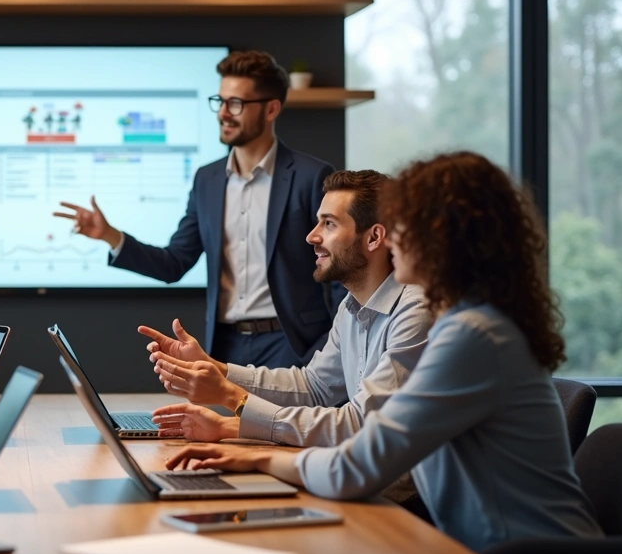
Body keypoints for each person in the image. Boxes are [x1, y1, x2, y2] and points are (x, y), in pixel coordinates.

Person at [164, 152, 603, 552]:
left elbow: (356, 463)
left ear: (443, 237)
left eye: (404, 222)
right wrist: (222, 381)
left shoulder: (469, 335)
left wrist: (248, 447)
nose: (392, 238)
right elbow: (320, 391)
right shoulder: (468, 323)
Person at [55, 50, 344, 368]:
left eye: (236, 103)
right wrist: (111, 236)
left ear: (271, 108)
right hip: (224, 347)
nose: (223, 113)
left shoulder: (311, 176)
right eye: (219, 101)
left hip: (293, 345)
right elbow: (174, 263)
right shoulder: (207, 179)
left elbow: (339, 268)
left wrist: (335, 344)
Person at [143, 171, 433, 460]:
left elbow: (359, 425)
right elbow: (314, 387)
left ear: (373, 238)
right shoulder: (350, 306)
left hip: (404, 501)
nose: (312, 236)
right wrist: (217, 369)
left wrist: (230, 396)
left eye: (329, 224)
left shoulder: (415, 312)